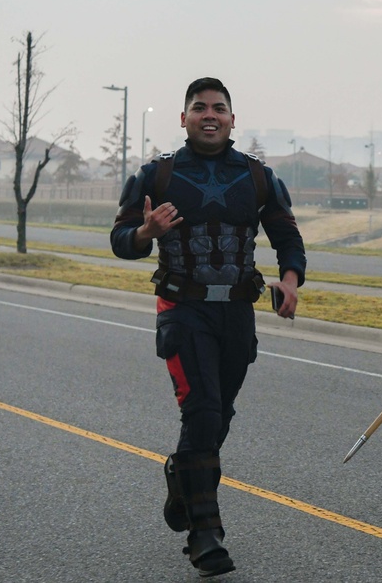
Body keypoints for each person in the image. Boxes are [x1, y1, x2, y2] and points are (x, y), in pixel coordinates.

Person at [110, 77, 305, 577]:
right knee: (201, 410)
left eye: (219, 107)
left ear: (233, 119)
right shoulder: (156, 175)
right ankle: (205, 534)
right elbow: (119, 239)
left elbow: (287, 234)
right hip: (182, 308)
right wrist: (146, 233)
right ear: (184, 118)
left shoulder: (259, 177)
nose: (210, 115)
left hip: (238, 312)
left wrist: (289, 281)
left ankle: (184, 478)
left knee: (219, 416)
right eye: (199, 108)